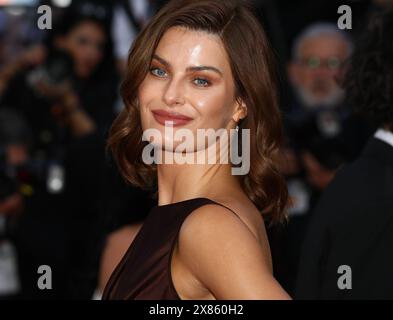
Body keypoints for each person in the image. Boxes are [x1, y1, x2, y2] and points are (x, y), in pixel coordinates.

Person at [102, 0, 290, 300]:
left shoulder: (208, 227)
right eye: (159, 71)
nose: (171, 95)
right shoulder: (190, 216)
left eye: (200, 80)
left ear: (241, 104)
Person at [295, 9, 393, 299]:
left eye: (332, 63)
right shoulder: (377, 192)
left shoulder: (365, 180)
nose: (323, 72)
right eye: (313, 63)